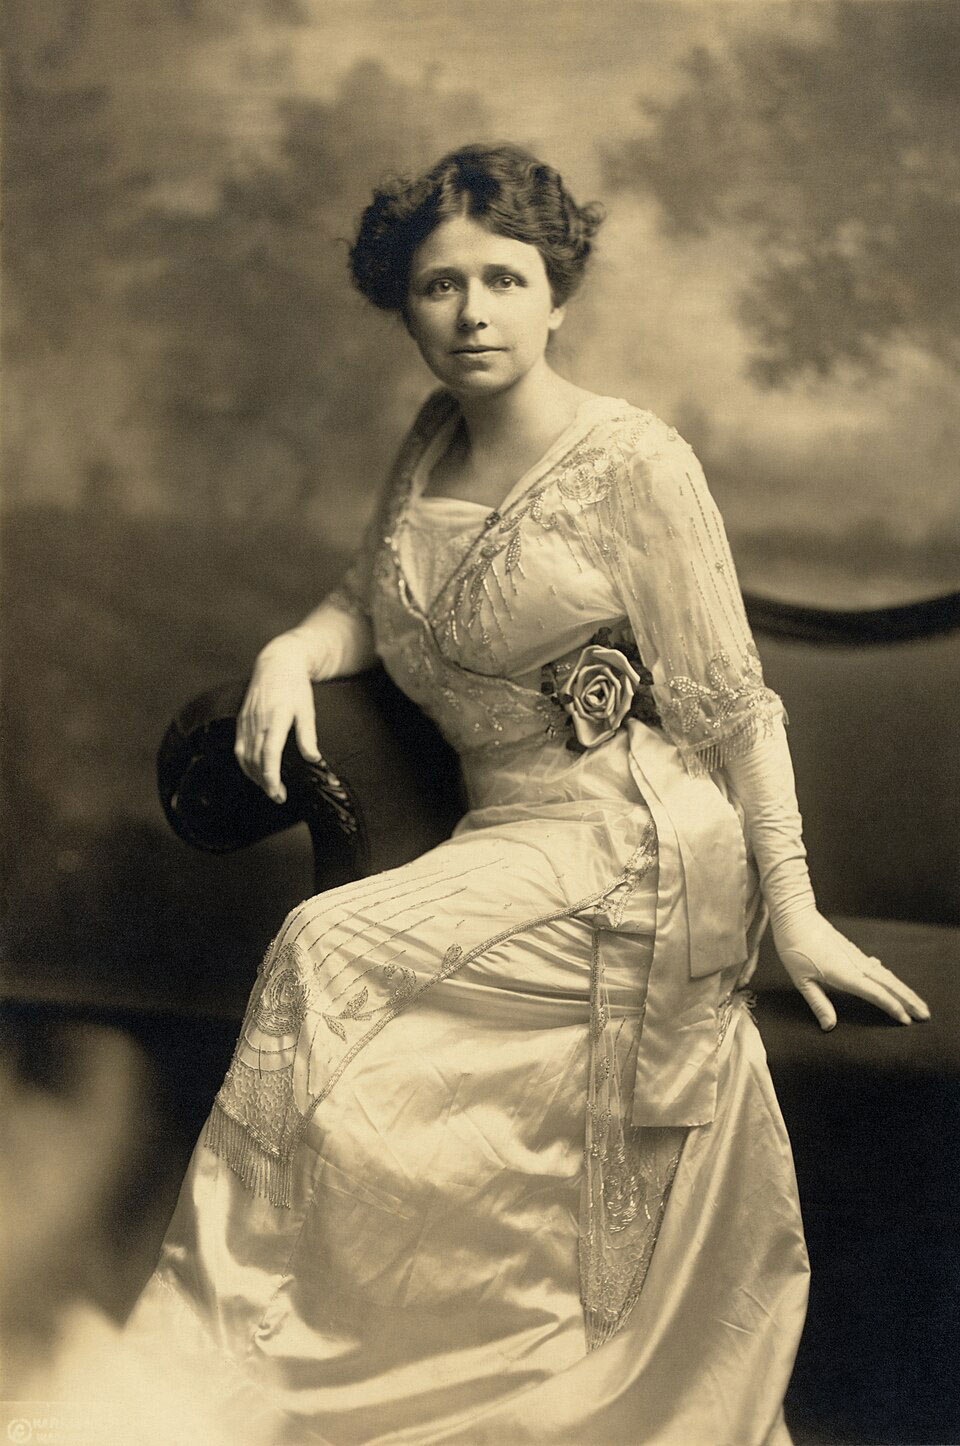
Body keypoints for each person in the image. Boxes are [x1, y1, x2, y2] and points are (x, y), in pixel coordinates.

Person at [127, 144, 929, 1445]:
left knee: (323, 943)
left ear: (559, 294)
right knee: (352, 1013)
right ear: (403, 306)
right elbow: (364, 602)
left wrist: (795, 911)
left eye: (505, 279)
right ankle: (320, 1356)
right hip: (505, 837)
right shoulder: (430, 440)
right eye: (439, 285)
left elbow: (737, 707)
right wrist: (289, 651)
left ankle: (244, 1368)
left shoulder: (635, 463)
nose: (473, 313)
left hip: (639, 842)